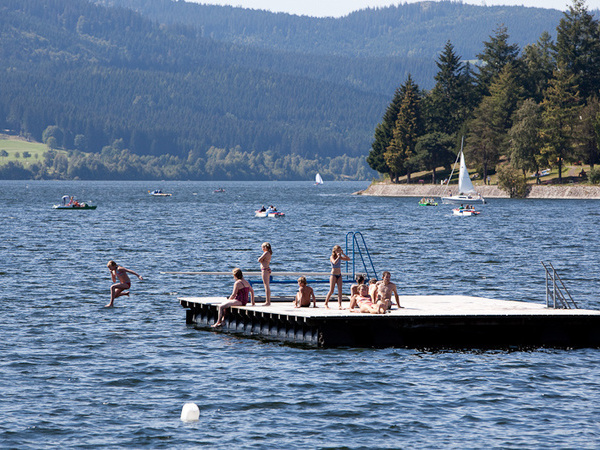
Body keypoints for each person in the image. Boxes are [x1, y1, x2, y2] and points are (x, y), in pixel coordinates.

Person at [324, 245, 350, 309]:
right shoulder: (332, 257)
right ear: (335, 251)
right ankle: (326, 303)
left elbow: (348, 259)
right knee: (331, 290)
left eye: (340, 250)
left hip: (339, 275)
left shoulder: (340, 257)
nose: (339, 252)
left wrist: (343, 254)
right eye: (338, 250)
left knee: (340, 290)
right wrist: (338, 257)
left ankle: (340, 305)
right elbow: (334, 262)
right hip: (333, 275)